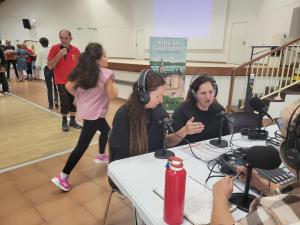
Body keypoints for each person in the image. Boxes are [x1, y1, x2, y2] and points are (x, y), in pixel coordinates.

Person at [211, 100, 300, 225]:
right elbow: (292, 194)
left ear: (293, 152)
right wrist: (261, 184)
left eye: (282, 136)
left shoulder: (277, 214)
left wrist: (219, 198)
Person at [51, 43, 118, 191]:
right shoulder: (106, 73)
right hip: (93, 115)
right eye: (105, 55)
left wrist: (81, 99)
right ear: (98, 60)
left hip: (91, 112)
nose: (107, 58)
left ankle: (101, 155)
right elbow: (113, 95)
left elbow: (68, 86)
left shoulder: (82, 71)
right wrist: (113, 83)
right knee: (82, 146)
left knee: (107, 130)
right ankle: (62, 176)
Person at [109, 69, 202, 162]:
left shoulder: (157, 111)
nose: (161, 100)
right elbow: (120, 158)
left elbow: (166, 142)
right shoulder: (123, 116)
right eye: (157, 96)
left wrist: (184, 130)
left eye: (162, 95)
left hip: (154, 163)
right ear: (143, 96)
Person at [171, 74, 229, 146]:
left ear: (215, 92)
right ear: (194, 94)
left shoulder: (219, 110)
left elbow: (227, 137)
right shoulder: (182, 110)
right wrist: (184, 130)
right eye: (203, 93)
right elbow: (169, 142)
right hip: (187, 154)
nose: (208, 97)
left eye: (211, 92)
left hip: (213, 152)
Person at [47, 29, 82, 131]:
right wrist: (59, 54)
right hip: (61, 81)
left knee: (74, 102)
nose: (63, 40)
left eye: (66, 38)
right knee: (65, 102)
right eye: (61, 38)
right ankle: (64, 121)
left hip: (74, 81)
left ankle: (72, 121)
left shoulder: (76, 50)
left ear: (71, 38)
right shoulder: (54, 48)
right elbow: (50, 66)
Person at [36, 37, 59, 109]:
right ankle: (56, 101)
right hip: (55, 68)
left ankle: (51, 105)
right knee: (56, 86)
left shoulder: (40, 51)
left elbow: (38, 64)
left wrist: (37, 73)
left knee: (49, 88)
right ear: (48, 42)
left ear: (41, 43)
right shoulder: (52, 49)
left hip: (47, 69)